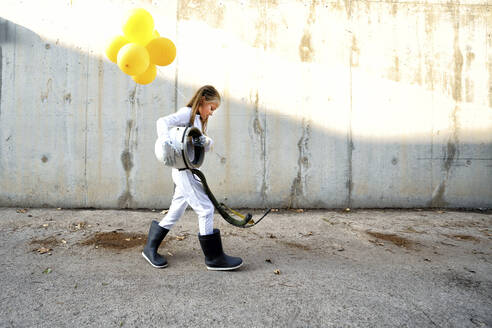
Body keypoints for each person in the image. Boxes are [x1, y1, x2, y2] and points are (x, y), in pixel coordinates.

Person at [142, 85, 243, 271]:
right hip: (182, 172)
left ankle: (150, 248)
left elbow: (204, 143)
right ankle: (214, 258)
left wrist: (206, 141)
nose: (212, 113)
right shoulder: (187, 113)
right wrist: (165, 142)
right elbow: (161, 122)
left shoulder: (197, 120)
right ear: (203, 100)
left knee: (176, 211)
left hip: (187, 171)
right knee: (205, 209)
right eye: (212, 108)